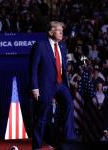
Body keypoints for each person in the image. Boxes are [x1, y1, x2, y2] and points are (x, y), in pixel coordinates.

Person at [28, 21, 76, 150]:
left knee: (69, 104)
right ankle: (37, 146)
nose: (62, 33)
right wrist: (34, 87)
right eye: (59, 30)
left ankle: (67, 139)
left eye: (62, 31)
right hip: (44, 87)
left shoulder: (62, 46)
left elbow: (62, 67)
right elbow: (33, 68)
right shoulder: (40, 45)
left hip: (60, 85)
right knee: (41, 118)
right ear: (50, 32)